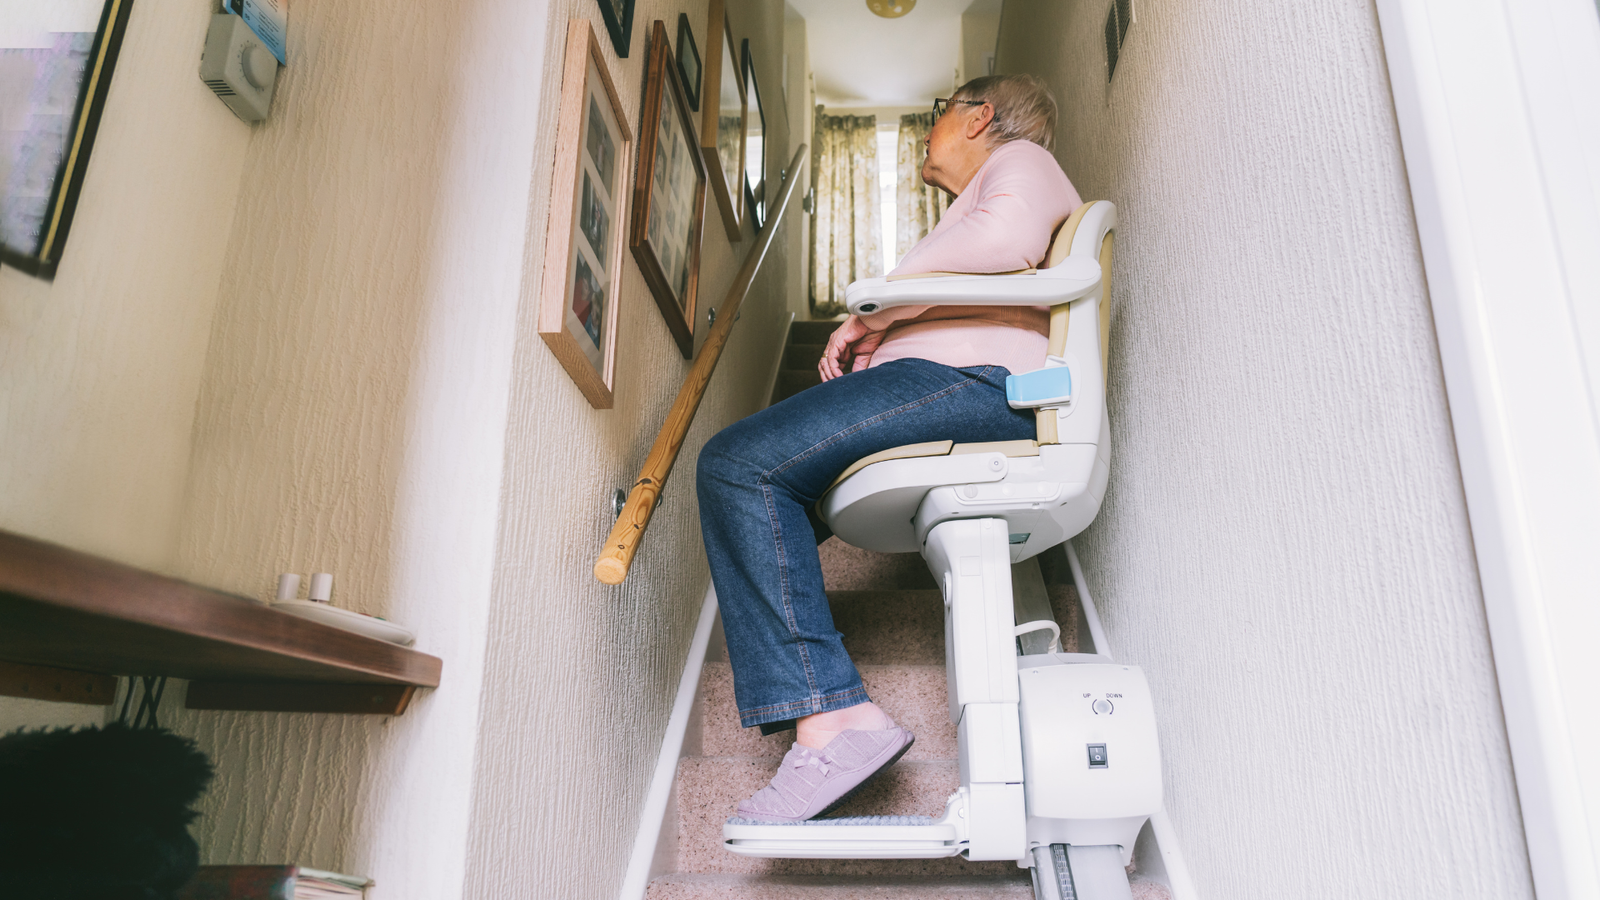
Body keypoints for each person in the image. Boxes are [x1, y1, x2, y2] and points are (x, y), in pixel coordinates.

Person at [696, 74, 1083, 823]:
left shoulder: (1023, 160)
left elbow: (1002, 241)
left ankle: (835, 720)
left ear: (982, 116)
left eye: (940, 113)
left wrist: (873, 305)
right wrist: (883, 321)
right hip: (961, 381)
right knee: (760, 491)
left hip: (972, 382)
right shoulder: (988, 192)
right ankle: (826, 714)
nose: (930, 131)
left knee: (738, 464)